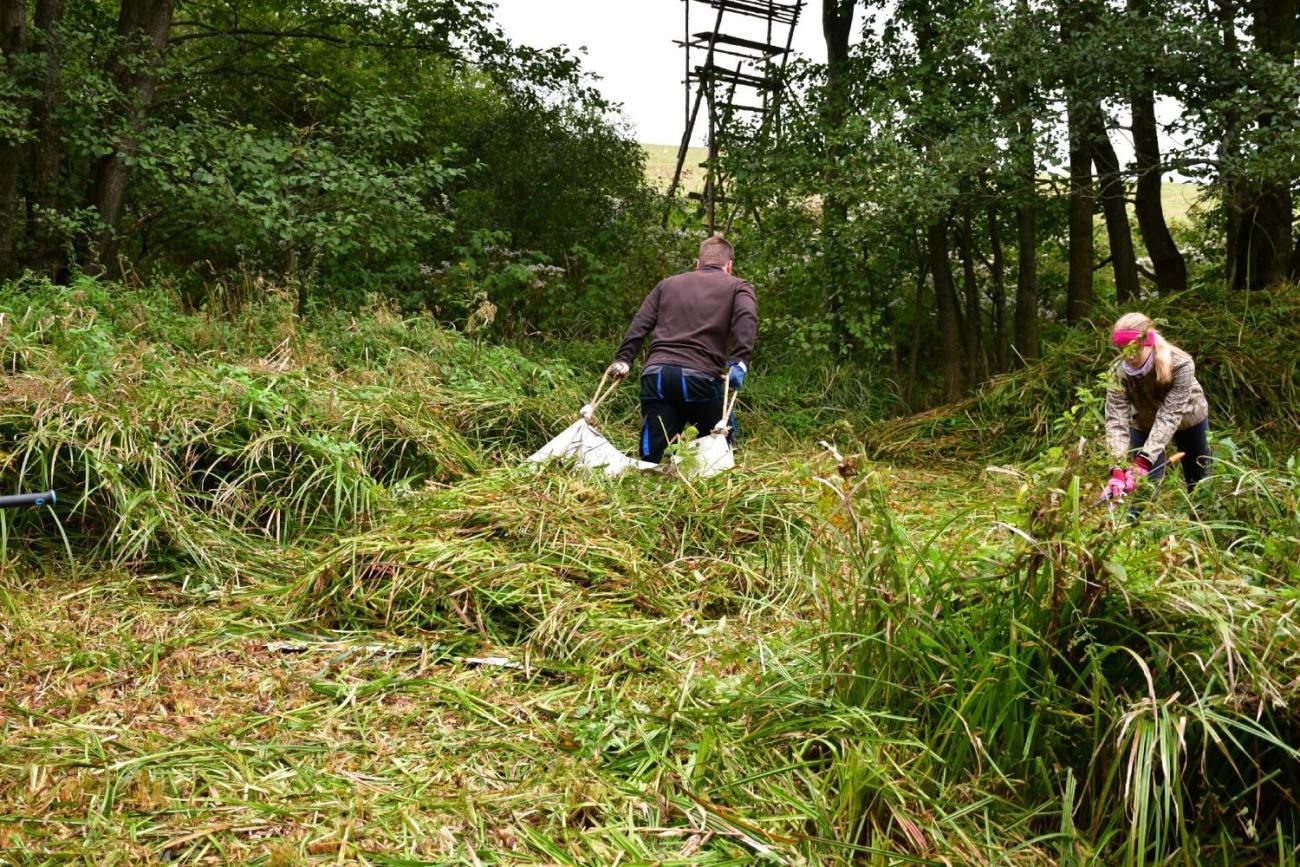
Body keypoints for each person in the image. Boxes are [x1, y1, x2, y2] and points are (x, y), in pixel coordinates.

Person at [606, 235, 757, 464]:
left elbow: (640, 323)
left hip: (656, 376)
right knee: (718, 443)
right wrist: (739, 361)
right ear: (729, 266)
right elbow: (746, 318)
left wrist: (624, 359)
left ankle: (649, 484)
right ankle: (708, 490)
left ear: (697, 263)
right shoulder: (738, 286)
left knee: (651, 456)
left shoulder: (667, 284)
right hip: (699, 378)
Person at [1102, 312, 1211, 503]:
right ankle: (1134, 528)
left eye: (1136, 348)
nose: (1131, 356)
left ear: (1148, 341)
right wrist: (1117, 468)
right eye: (1124, 349)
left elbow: (1170, 415)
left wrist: (1144, 460)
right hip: (1144, 423)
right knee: (1142, 489)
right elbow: (1116, 422)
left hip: (1188, 419)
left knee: (1199, 483)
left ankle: (1202, 527)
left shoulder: (1181, 365)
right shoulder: (1117, 373)